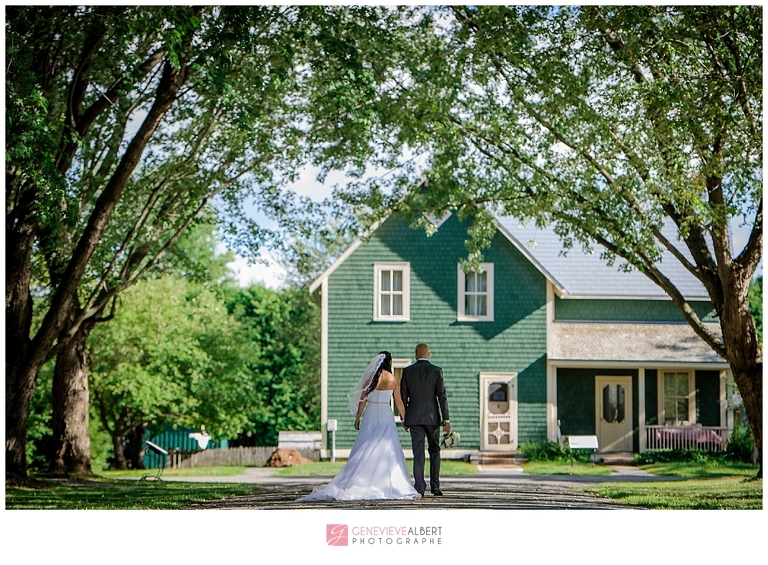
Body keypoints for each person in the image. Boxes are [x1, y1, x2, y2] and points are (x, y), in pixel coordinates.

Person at [298, 351, 421, 501]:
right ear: (389, 363)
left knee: (365, 444)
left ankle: (360, 478)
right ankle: (386, 481)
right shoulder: (393, 379)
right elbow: (399, 403)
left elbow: (363, 399)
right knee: (387, 447)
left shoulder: (370, 379)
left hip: (370, 413)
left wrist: (358, 417)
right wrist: (405, 419)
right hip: (385, 413)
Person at [400, 343, 450, 496]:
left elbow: (403, 396)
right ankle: (435, 486)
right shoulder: (436, 371)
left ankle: (420, 488)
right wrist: (446, 419)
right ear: (428, 353)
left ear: (416, 353)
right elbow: (442, 396)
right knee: (435, 451)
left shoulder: (407, 371)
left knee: (418, 453)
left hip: (414, 418)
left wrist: (404, 418)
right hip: (432, 418)